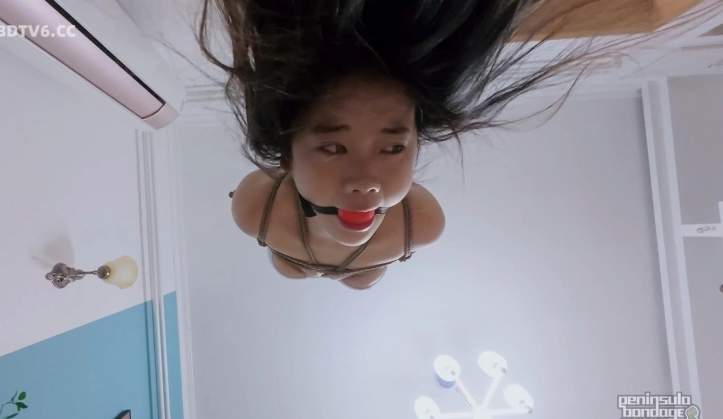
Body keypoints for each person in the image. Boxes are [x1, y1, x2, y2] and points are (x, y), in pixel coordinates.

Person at [193, 0, 691, 289]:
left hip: (346, 256)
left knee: (360, 278)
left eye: (392, 148)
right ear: (286, 157)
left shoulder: (419, 225)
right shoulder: (257, 210)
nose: (365, 181)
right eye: (333, 148)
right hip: (295, 253)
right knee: (298, 270)